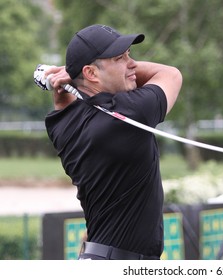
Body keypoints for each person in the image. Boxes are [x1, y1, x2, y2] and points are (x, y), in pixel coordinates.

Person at [40, 24, 182, 260]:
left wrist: (73, 75)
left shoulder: (61, 124)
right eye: (120, 58)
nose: (132, 63)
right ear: (91, 74)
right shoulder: (128, 114)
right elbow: (171, 75)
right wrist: (69, 71)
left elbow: (62, 101)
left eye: (129, 55)